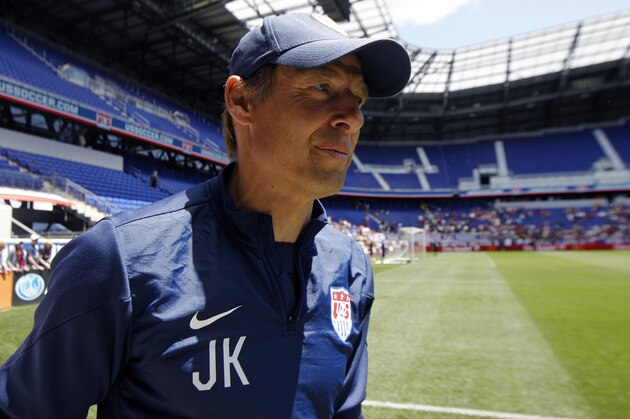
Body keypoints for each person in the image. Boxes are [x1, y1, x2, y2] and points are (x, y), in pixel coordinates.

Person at [0, 12, 410, 418]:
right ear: (241, 100)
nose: (352, 116)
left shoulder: (350, 267)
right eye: (322, 86)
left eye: (357, 98)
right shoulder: (120, 259)